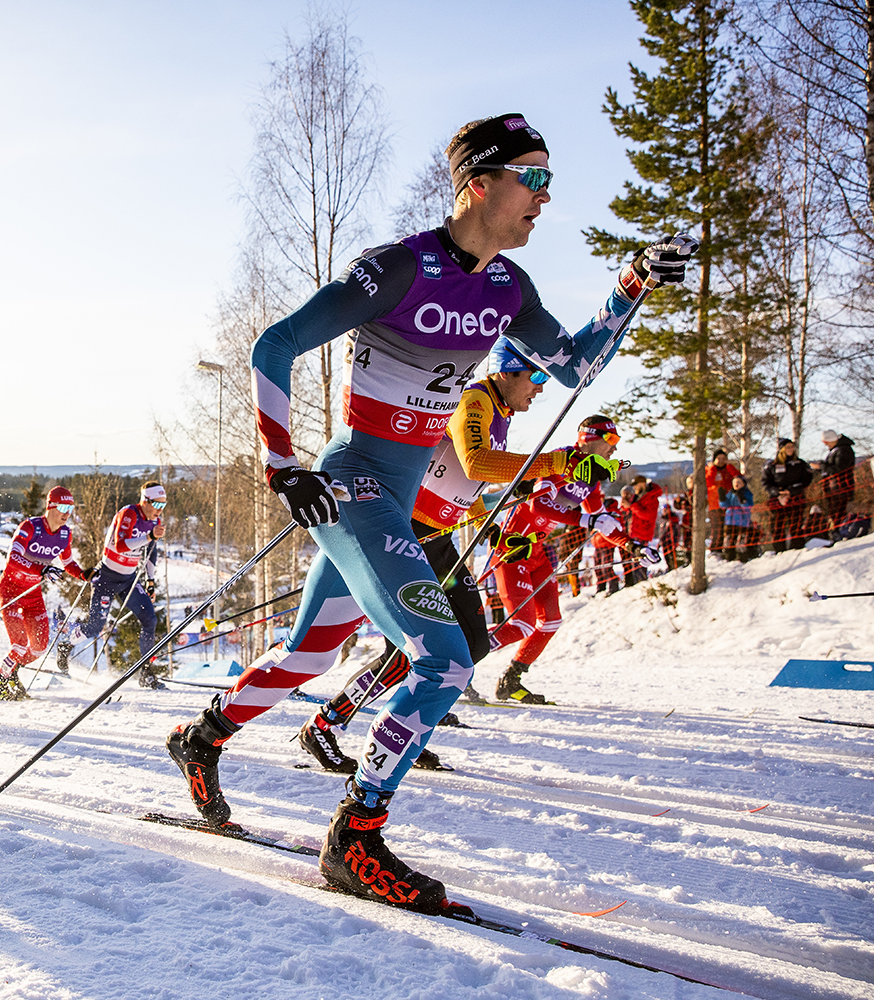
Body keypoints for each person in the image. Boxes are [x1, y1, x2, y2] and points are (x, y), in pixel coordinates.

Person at [163, 112, 696, 914]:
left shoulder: (508, 289)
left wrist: (631, 287)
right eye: (534, 178)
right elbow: (274, 344)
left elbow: (577, 367)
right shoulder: (398, 269)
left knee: (310, 655)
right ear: (478, 184)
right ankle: (355, 837)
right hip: (355, 488)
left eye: (550, 181)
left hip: (401, 504)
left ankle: (197, 739)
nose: (544, 199)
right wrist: (283, 465)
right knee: (444, 659)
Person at [295, 336, 574, 771]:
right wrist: (554, 463)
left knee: (473, 643)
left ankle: (398, 725)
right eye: (535, 376)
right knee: (417, 647)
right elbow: (477, 462)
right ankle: (329, 723)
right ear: (505, 370)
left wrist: (496, 532)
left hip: (441, 537)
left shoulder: (500, 411)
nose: (539, 388)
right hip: (410, 531)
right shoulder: (475, 400)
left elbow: (471, 486)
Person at [488, 417, 630, 702]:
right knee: (521, 624)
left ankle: (510, 680)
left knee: (550, 620)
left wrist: (632, 546)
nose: (614, 449)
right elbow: (538, 502)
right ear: (589, 438)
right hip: (513, 548)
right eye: (611, 440)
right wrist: (584, 518)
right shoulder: (559, 462)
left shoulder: (592, 477)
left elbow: (598, 519)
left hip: (538, 553)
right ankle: (452, 664)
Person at [0, 486, 89, 701]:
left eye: (70, 508)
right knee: (18, 644)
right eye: (63, 507)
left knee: (39, 648)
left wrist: (85, 575)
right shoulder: (31, 527)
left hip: (32, 593)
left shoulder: (65, 533)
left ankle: (12, 671)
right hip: (11, 590)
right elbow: (13, 557)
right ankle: (0, 682)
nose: (66, 513)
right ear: (50, 506)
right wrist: (41, 569)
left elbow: (68, 562)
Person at [69, 482, 165, 687]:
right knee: (95, 627)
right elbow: (120, 546)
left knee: (150, 620)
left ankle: (146, 674)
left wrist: (150, 581)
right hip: (107, 578)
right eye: (157, 504)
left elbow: (151, 551)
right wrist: (149, 536)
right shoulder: (129, 514)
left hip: (128, 579)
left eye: (164, 506)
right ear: (145, 501)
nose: (160, 510)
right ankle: (66, 644)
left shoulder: (154, 520)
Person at [762, 439, 813, 552]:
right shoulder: (772, 465)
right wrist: (777, 492)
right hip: (777, 499)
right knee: (777, 526)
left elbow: (806, 480)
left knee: (796, 524)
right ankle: (779, 550)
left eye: (792, 446)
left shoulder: (800, 464)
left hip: (796, 497)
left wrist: (792, 491)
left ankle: (797, 548)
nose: (791, 449)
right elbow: (765, 483)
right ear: (782, 449)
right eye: (788, 447)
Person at [619, 474, 663, 586]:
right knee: (633, 562)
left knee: (640, 562)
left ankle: (641, 585)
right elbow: (629, 509)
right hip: (632, 532)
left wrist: (632, 506)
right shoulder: (637, 496)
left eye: (636, 485)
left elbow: (648, 515)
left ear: (642, 484)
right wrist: (625, 505)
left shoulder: (652, 498)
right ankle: (635, 585)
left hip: (642, 533)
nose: (635, 488)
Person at [820, 429, 856, 539]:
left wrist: (823, 467)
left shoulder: (844, 450)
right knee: (834, 512)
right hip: (834, 488)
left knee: (839, 511)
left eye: (827, 442)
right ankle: (836, 533)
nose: (826, 445)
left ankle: (841, 533)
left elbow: (840, 468)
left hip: (841, 488)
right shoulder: (836, 450)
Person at [704, 450, 740, 557]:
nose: (721, 461)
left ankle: (730, 549)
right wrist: (712, 469)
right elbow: (708, 482)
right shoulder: (710, 469)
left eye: (723, 459)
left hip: (731, 504)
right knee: (717, 528)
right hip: (715, 504)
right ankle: (716, 550)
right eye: (718, 459)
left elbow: (739, 479)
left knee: (731, 528)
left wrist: (730, 467)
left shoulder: (728, 469)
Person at [720, 475, 758, 562]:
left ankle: (742, 557)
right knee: (729, 539)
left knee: (741, 540)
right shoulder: (730, 494)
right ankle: (728, 556)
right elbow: (724, 505)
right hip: (730, 521)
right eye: (734, 482)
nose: (736, 484)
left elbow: (748, 507)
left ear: (743, 484)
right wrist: (722, 498)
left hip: (742, 522)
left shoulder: (747, 493)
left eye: (739, 482)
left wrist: (742, 499)